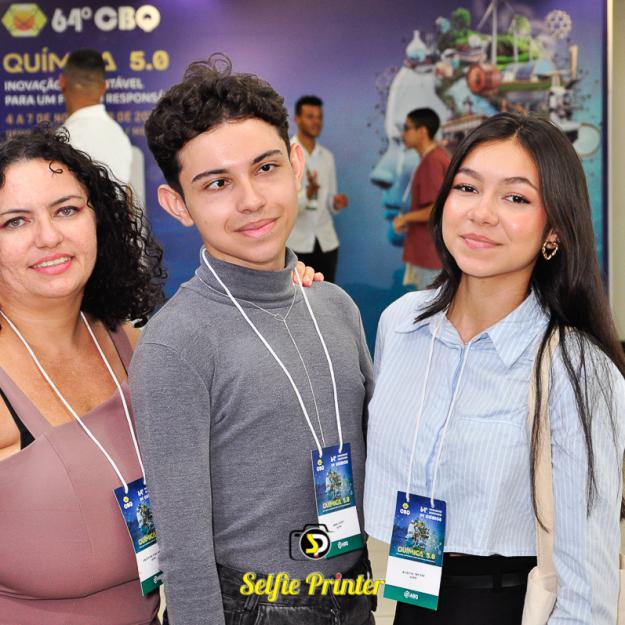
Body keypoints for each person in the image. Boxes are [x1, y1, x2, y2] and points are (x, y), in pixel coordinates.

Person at [130, 58, 374, 625]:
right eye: (217, 183)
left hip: (354, 593)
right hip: (252, 606)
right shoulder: (176, 344)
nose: (251, 200)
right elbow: (183, 549)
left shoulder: (334, 306)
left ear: (295, 164)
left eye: (265, 168)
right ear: (177, 204)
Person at [365, 112, 625, 624]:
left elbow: (587, 585)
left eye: (516, 198)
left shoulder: (577, 370)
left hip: (510, 606)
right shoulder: (401, 325)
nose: (481, 213)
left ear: (554, 230)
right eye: (467, 187)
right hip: (412, 598)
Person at [0, 126, 165, 624]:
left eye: (66, 210)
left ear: (100, 219)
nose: (49, 237)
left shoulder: (130, 342)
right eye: (14, 221)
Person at [287, 95, 348, 282]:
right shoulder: (285, 153)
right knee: (296, 295)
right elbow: (283, 204)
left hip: (326, 242)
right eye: (310, 116)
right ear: (297, 119)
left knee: (327, 294)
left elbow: (329, 202)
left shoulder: (327, 157)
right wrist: (307, 195)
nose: (316, 122)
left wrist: (336, 203)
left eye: (319, 117)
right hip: (296, 243)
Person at [393, 108, 449, 290]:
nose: (403, 134)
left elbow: (435, 209)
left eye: (407, 128)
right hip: (431, 251)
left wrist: (404, 218)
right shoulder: (434, 157)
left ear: (422, 131)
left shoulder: (432, 161)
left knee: (429, 303)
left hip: (430, 253)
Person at [60, 48, 133, 185]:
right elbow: (127, 192)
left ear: (62, 82)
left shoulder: (64, 139)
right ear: (104, 87)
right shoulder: (119, 137)